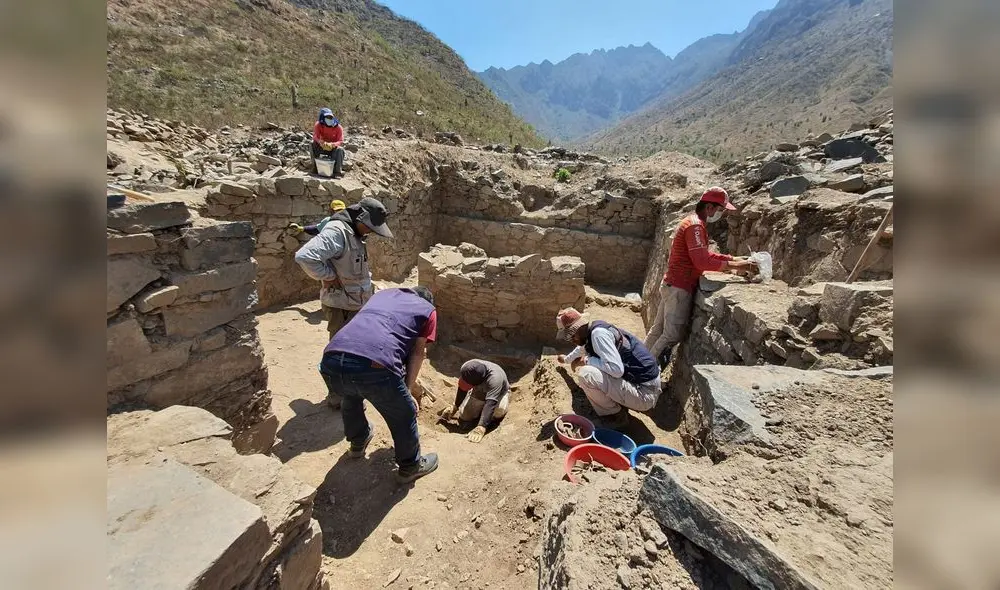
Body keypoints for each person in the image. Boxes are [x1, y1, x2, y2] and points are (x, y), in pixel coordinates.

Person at [320, 287, 439, 484]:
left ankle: (358, 442)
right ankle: (410, 466)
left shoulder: (382, 295)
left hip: (331, 360)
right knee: (404, 412)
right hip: (374, 364)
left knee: (351, 394)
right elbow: (418, 352)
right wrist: (407, 390)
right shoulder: (427, 310)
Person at [294, 197, 393, 408]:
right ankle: (337, 396)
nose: (370, 232)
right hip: (341, 306)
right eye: (369, 227)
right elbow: (305, 256)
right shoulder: (338, 230)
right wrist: (329, 276)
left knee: (354, 351)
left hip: (354, 304)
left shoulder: (354, 232)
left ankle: (349, 391)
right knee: (340, 352)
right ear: (360, 217)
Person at [644, 187, 757, 369]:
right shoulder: (695, 226)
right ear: (709, 207)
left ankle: (637, 362)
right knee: (671, 335)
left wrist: (733, 259)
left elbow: (703, 254)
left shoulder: (693, 222)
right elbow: (702, 261)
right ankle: (644, 372)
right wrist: (737, 266)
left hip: (672, 284)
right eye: (720, 209)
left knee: (658, 330)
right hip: (679, 287)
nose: (721, 214)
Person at [555, 308, 660, 429]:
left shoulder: (598, 335)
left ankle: (616, 417)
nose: (572, 340)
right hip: (644, 384)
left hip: (645, 393)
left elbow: (616, 370)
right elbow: (582, 348)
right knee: (596, 365)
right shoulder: (594, 330)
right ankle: (620, 403)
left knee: (587, 374)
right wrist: (566, 360)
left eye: (572, 336)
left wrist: (586, 361)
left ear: (579, 328)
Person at [437, 359, 511, 443]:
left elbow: (491, 403)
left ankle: (489, 421)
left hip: (499, 394)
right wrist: (455, 406)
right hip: (479, 390)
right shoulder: (468, 366)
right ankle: (480, 414)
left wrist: (481, 427)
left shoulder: (495, 379)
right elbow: (462, 387)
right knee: (465, 416)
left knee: (499, 411)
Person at [312, 108, 345, 177]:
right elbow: (315, 136)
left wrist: (333, 144)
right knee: (312, 144)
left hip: (333, 149)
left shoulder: (338, 127)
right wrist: (320, 142)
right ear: (322, 117)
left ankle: (337, 171)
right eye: (327, 117)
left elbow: (341, 140)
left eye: (330, 117)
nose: (329, 119)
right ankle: (315, 168)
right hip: (322, 147)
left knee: (340, 150)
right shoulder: (318, 125)